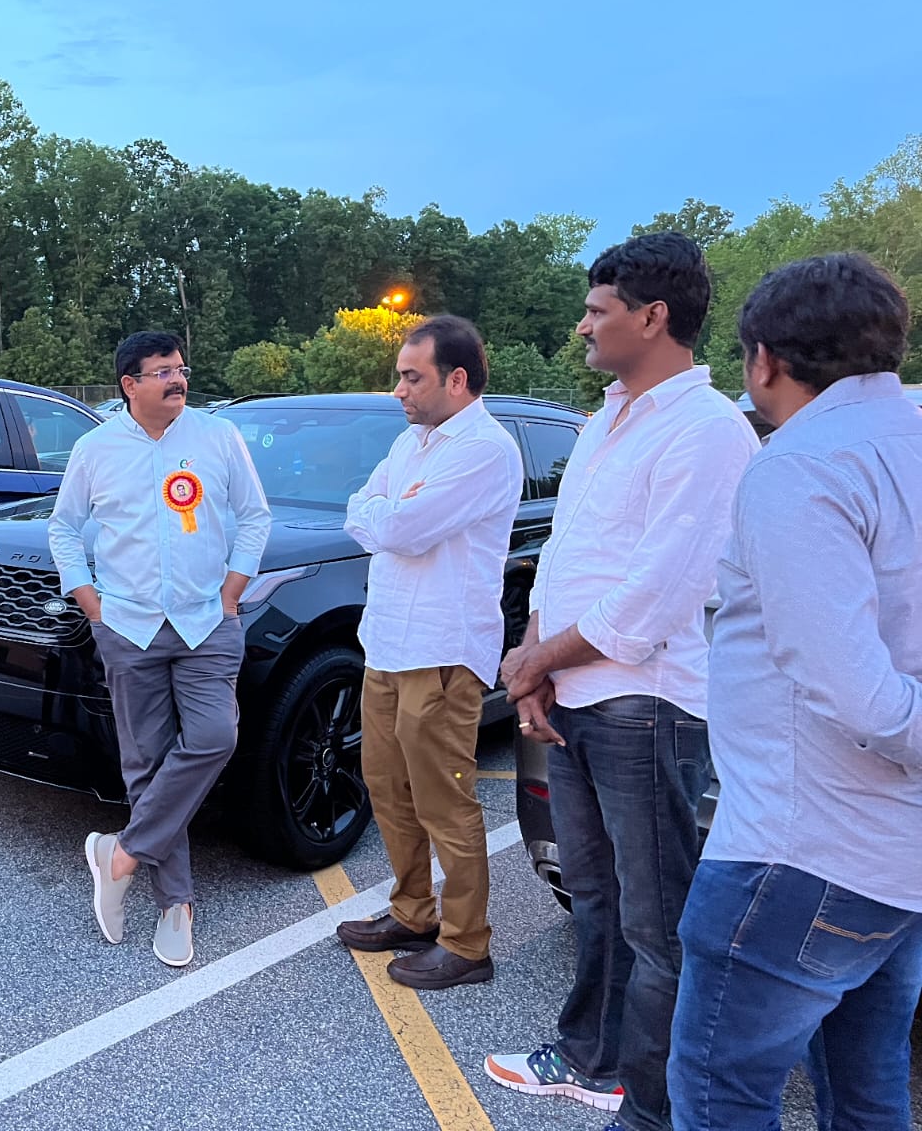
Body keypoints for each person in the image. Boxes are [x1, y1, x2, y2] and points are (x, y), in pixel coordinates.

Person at [483, 232, 757, 1131]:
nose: (582, 326)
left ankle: (653, 1107)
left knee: (657, 923)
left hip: (646, 707)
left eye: (597, 311)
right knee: (595, 900)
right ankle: (590, 1060)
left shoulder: (706, 431)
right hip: (576, 697)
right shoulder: (606, 418)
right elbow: (567, 557)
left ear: (653, 317)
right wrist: (532, 665)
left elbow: (656, 594)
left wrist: (536, 662)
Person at [668, 254, 922, 1131]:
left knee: (719, 1097)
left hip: (802, 847)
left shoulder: (803, 466)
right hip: (893, 853)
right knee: (868, 1089)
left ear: (764, 359)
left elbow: (858, 696)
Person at [48, 331, 271, 969]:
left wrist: (232, 591)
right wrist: (89, 601)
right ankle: (177, 904)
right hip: (127, 625)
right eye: (163, 371)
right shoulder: (96, 448)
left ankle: (119, 856)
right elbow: (64, 527)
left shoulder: (217, 437)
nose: (178, 380)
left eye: (181, 368)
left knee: (214, 737)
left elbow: (254, 516)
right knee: (145, 764)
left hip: (207, 622)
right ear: (130, 385)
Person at [334, 316, 523, 990]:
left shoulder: (485, 449)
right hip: (387, 643)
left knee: (444, 801)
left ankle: (467, 943)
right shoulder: (411, 441)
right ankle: (413, 912)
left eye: (412, 377)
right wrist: (385, 511)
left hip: (442, 651)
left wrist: (387, 513)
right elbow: (360, 508)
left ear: (457, 379)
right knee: (388, 789)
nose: (399, 390)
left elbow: (404, 531)